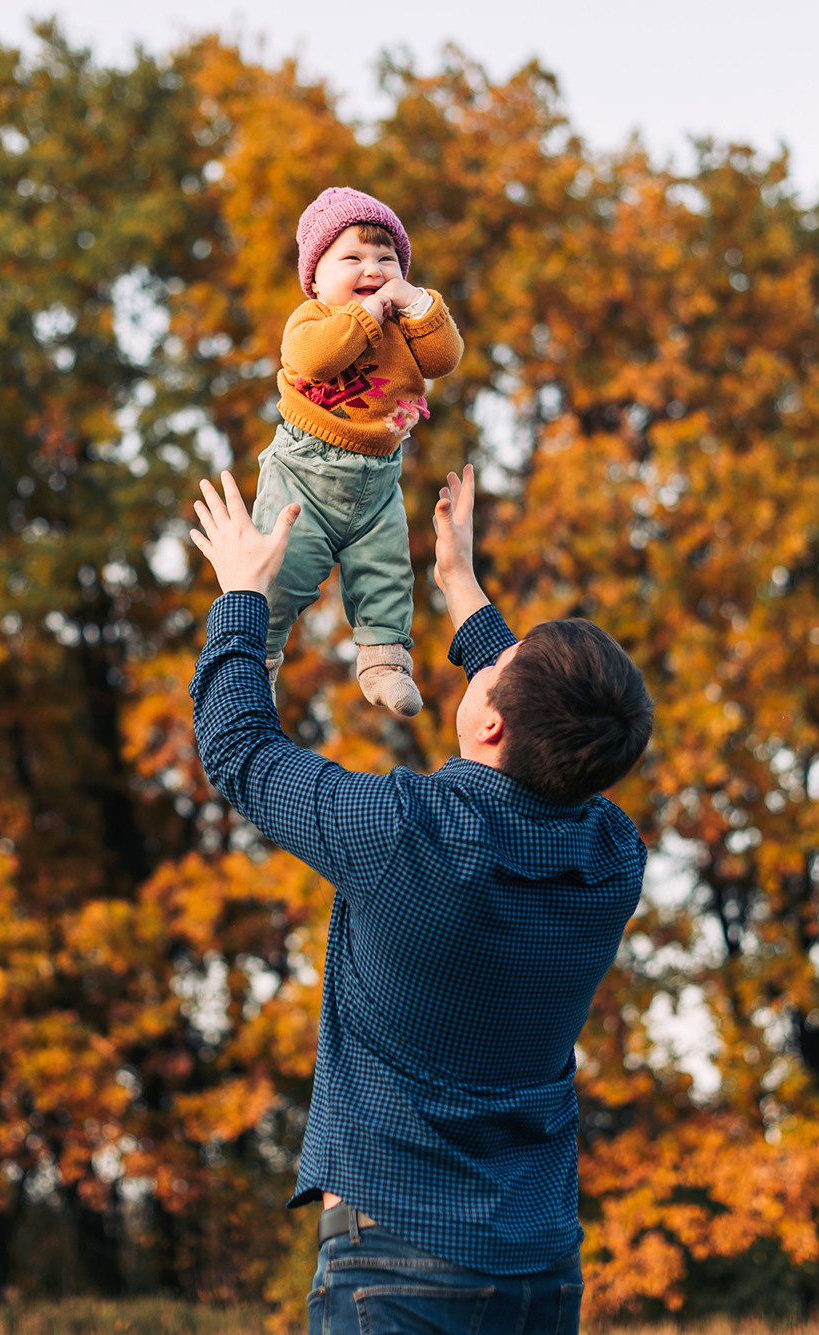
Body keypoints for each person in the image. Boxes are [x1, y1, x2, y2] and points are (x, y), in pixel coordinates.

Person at [186, 464, 653, 1334]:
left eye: (497, 663)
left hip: (401, 1274)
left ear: (490, 720)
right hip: (540, 1274)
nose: (489, 659)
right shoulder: (612, 859)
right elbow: (548, 736)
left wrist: (244, 596)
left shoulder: (405, 834)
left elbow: (240, 751)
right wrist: (458, 585)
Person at [250, 186, 465, 717]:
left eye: (386, 258)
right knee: (279, 571)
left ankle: (384, 661)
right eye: (353, 257)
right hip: (305, 471)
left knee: (387, 569)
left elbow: (444, 359)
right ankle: (255, 665)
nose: (373, 267)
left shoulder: (408, 323)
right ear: (316, 279)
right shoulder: (312, 320)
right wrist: (367, 314)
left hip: (377, 479)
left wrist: (415, 303)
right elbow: (316, 359)